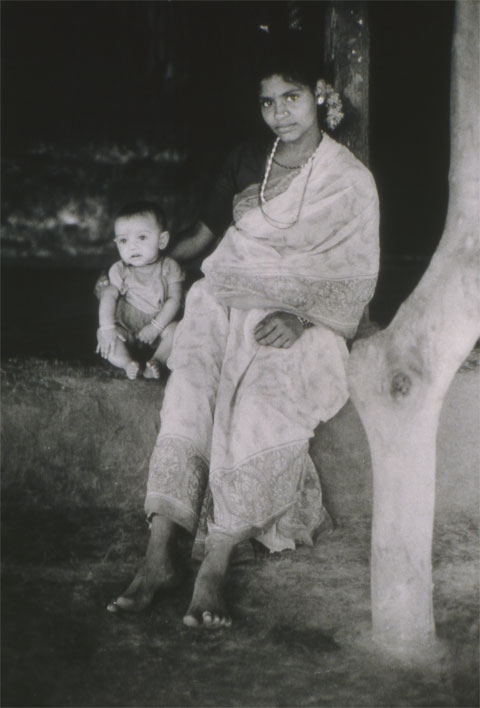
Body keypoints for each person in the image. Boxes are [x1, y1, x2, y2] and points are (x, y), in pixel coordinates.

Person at [107, 36, 379, 627]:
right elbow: (201, 243)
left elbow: (354, 273)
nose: (280, 112)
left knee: (258, 401)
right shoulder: (243, 159)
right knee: (191, 384)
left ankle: (215, 561)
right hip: (224, 300)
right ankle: (159, 554)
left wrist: (303, 315)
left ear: (320, 97)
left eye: (292, 97)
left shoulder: (349, 179)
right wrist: (135, 267)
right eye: (268, 102)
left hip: (301, 320)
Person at [96, 201, 184, 379]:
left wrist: (155, 327)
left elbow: (175, 299)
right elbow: (108, 296)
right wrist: (106, 328)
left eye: (142, 238)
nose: (132, 246)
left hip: (159, 328)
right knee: (104, 335)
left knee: (178, 330)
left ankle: (156, 361)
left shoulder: (169, 267)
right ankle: (127, 362)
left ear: (162, 240)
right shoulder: (120, 270)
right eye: (123, 240)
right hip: (126, 329)